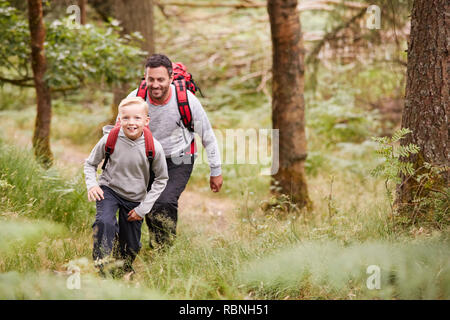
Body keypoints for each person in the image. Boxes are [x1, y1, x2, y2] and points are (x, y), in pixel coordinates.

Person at [126, 53, 223, 249]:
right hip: (148, 158)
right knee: (148, 201)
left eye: (161, 79)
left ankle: (164, 252)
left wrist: (216, 171)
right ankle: (156, 243)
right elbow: (118, 134)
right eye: (150, 79)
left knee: (165, 200)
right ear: (145, 78)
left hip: (180, 156)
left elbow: (208, 136)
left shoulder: (186, 100)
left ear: (170, 79)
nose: (155, 85)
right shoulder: (135, 99)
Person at [84, 97, 168, 277]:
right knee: (104, 222)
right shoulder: (110, 139)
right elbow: (90, 164)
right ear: (119, 119)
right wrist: (92, 185)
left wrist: (143, 208)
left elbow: (161, 179)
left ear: (146, 121)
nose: (131, 123)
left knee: (130, 245)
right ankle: (102, 267)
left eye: (137, 118)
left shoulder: (154, 147)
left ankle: (124, 267)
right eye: (126, 118)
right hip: (110, 189)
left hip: (136, 198)